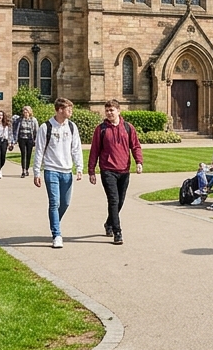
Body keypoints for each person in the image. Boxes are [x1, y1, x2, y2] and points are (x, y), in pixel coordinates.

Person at [88, 99, 143, 245]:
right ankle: (117, 232)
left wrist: (139, 162)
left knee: (120, 201)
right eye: (107, 111)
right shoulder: (101, 129)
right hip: (108, 170)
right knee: (113, 200)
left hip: (124, 170)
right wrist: (91, 170)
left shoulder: (128, 128)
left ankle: (109, 223)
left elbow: (135, 146)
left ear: (119, 111)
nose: (109, 113)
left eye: (111, 110)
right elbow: (94, 150)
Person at [34, 97, 83, 248]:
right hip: (51, 170)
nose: (71, 112)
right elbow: (39, 150)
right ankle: (57, 234)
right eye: (69, 109)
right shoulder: (46, 127)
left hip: (67, 171)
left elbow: (76, 148)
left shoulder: (72, 127)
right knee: (54, 203)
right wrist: (37, 172)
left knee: (65, 203)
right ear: (60, 110)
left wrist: (79, 167)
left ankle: (54, 221)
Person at [14, 105, 39, 178]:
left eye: (27, 112)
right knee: (23, 154)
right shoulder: (20, 120)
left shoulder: (33, 120)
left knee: (28, 155)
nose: (25, 113)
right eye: (24, 112)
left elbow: (36, 131)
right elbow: (16, 129)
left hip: (30, 139)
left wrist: (36, 140)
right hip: (22, 139)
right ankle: (23, 170)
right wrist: (15, 140)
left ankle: (27, 169)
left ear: (29, 112)